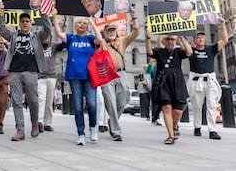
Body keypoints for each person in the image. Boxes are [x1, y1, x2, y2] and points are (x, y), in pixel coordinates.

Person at [0, 1, 51, 141]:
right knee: (16, 102)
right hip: (14, 72)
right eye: (23, 21)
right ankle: (20, 130)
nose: (25, 23)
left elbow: (47, 31)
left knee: (33, 100)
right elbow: (2, 30)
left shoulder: (36, 36)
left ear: (31, 23)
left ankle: (34, 124)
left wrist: (44, 14)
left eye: (27, 21)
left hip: (31, 72)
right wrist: (1, 14)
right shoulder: (14, 35)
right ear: (19, 23)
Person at [53, 8, 102, 145]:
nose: (81, 24)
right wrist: (55, 16)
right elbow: (58, 33)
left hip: (89, 76)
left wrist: (92, 23)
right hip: (74, 76)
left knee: (92, 104)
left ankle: (93, 128)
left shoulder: (90, 38)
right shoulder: (71, 38)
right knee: (78, 106)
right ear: (75, 25)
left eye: (84, 23)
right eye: (79, 23)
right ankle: (81, 134)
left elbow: (100, 40)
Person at [145, 33, 192, 145]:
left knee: (178, 111)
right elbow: (149, 52)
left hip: (177, 84)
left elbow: (189, 52)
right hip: (163, 84)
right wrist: (147, 37)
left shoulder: (178, 52)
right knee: (166, 107)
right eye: (168, 39)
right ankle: (170, 135)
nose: (170, 42)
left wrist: (182, 38)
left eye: (172, 39)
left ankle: (174, 126)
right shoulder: (159, 51)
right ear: (164, 41)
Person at [100, 8, 139, 141]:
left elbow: (136, 32)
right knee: (110, 101)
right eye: (108, 30)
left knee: (123, 100)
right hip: (106, 75)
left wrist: (134, 17)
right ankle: (116, 131)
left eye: (113, 30)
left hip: (121, 74)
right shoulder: (100, 43)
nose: (111, 32)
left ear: (116, 32)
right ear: (104, 32)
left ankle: (112, 121)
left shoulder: (121, 41)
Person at [187, 19, 228, 140]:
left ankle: (212, 130)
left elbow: (225, 40)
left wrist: (223, 24)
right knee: (197, 106)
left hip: (209, 80)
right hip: (196, 81)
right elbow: (183, 43)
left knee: (211, 105)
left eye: (202, 37)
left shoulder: (210, 49)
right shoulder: (191, 51)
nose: (200, 39)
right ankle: (197, 126)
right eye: (198, 37)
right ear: (194, 40)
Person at [37, 33, 64, 132]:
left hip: (51, 76)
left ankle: (47, 123)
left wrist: (61, 31)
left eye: (47, 36)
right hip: (40, 77)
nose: (46, 39)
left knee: (49, 101)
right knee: (41, 99)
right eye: (43, 37)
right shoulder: (37, 46)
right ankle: (39, 122)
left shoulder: (54, 46)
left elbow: (64, 44)